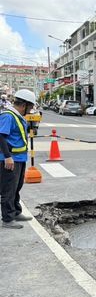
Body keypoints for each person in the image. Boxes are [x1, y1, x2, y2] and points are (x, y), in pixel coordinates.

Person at [0, 89, 35, 229]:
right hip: (10, 159)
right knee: (8, 189)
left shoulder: (17, 115)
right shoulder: (8, 116)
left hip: (19, 158)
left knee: (16, 187)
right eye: (30, 107)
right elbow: (1, 136)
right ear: (23, 105)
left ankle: (15, 212)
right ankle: (7, 219)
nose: (31, 110)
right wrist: (8, 157)